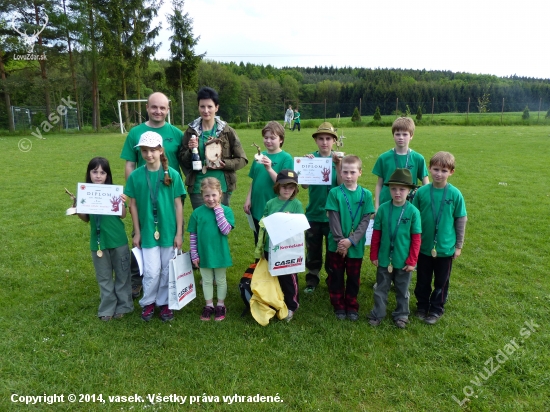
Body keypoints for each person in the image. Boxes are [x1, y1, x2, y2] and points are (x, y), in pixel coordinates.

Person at [120, 92, 184, 300]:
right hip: (144, 198)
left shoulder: (176, 133)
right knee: (142, 238)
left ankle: (168, 293)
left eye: (162, 108)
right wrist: (134, 195)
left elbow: (186, 163)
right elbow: (130, 164)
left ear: (168, 109)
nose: (158, 111)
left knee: (168, 247)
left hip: (169, 195)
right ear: (147, 107)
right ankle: (137, 281)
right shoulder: (135, 132)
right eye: (154, 107)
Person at [124, 131, 186, 322]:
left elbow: (178, 205)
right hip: (148, 231)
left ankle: (164, 303)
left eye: (152, 150)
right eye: (144, 151)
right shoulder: (135, 176)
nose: (148, 154)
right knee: (151, 271)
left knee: (167, 270)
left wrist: (179, 233)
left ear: (160, 150)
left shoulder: (172, 174)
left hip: (168, 230)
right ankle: (148, 302)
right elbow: (132, 205)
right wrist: (137, 232)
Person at [412, 151, 467, 325]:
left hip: (445, 248)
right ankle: (422, 306)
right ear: (429, 169)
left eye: (444, 170)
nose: (439, 173)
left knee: (441, 282)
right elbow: (414, 218)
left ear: (451, 172)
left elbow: (460, 220)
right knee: (423, 280)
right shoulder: (421, 193)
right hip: (423, 247)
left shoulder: (455, 194)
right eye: (435, 169)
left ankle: (436, 309)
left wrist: (458, 245)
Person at [77, 157, 133, 321]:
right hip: (99, 242)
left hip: (118, 240)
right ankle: (107, 308)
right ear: (89, 173)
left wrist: (122, 202)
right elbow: (85, 218)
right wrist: (78, 207)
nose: (98, 175)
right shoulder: (86, 193)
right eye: (95, 172)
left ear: (107, 175)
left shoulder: (113, 192)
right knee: (104, 277)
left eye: (102, 172)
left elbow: (122, 215)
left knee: (122, 275)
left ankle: (124, 305)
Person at [368, 169, 421, 329]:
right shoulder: (383, 209)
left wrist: (412, 261)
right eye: (393, 188)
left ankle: (401, 314)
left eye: (402, 189)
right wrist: (374, 254)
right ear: (388, 189)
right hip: (384, 258)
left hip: (404, 260)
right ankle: (378, 313)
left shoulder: (413, 212)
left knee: (402, 290)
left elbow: (416, 239)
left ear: (409, 190)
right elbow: (376, 234)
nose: (397, 192)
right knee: (381, 288)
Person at [180, 86, 248, 210]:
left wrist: (225, 164)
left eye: (210, 106)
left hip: (222, 187)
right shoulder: (190, 132)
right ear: (198, 107)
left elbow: (242, 159)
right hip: (198, 188)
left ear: (216, 107)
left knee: (221, 225)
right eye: (202, 106)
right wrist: (190, 150)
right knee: (203, 223)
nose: (206, 110)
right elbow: (183, 160)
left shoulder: (227, 131)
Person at [325, 155, 375, 321]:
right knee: (336, 276)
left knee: (353, 278)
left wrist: (351, 241)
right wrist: (341, 242)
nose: (348, 176)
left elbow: (365, 222)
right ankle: (338, 305)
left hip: (355, 246)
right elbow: (333, 217)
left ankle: (352, 305)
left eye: (352, 172)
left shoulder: (366, 195)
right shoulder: (334, 193)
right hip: (336, 246)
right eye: (344, 172)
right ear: (340, 171)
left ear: (360, 172)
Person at [257, 169, 303, 322]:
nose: (287, 190)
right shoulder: (271, 203)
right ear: (277, 186)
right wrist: (262, 248)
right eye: (284, 186)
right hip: (272, 247)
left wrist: (291, 220)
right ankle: (276, 302)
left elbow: (301, 225)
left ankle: (292, 306)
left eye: (291, 187)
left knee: (289, 278)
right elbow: (263, 224)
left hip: (289, 249)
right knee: (273, 277)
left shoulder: (296, 204)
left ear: (295, 189)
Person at [301, 122, 341, 294]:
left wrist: (338, 165)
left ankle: (332, 278)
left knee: (333, 251)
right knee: (313, 249)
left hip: (333, 216)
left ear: (334, 141)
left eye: (328, 139)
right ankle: (312, 279)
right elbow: (303, 186)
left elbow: (342, 185)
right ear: (316, 141)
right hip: (314, 214)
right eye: (321, 139)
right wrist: (306, 166)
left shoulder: (338, 160)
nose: (324, 142)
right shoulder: (311, 159)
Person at [188, 178, 235, 321]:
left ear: (220, 194)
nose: (210, 199)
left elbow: (226, 230)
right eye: (207, 195)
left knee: (220, 280)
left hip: (220, 253)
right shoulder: (197, 213)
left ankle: (221, 305)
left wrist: (218, 211)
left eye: (214, 195)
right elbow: (193, 235)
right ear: (202, 196)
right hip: (204, 253)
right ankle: (209, 305)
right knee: (207, 280)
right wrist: (194, 254)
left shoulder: (226, 211)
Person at [244, 121, 293, 244]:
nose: (268, 141)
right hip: (257, 205)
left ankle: (269, 263)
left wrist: (270, 169)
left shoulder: (286, 158)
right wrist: (248, 198)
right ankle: (259, 262)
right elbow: (254, 180)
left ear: (281, 139)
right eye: (266, 137)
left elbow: (285, 185)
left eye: (273, 138)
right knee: (258, 240)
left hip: (274, 208)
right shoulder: (259, 156)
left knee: (272, 243)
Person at [372, 117, 429, 211]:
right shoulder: (384, 158)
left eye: (405, 134)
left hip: (409, 205)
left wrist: (424, 204)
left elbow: (426, 184)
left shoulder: (418, 158)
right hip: (386, 204)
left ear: (411, 136)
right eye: (397, 134)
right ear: (393, 135)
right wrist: (377, 207)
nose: (401, 137)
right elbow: (379, 185)